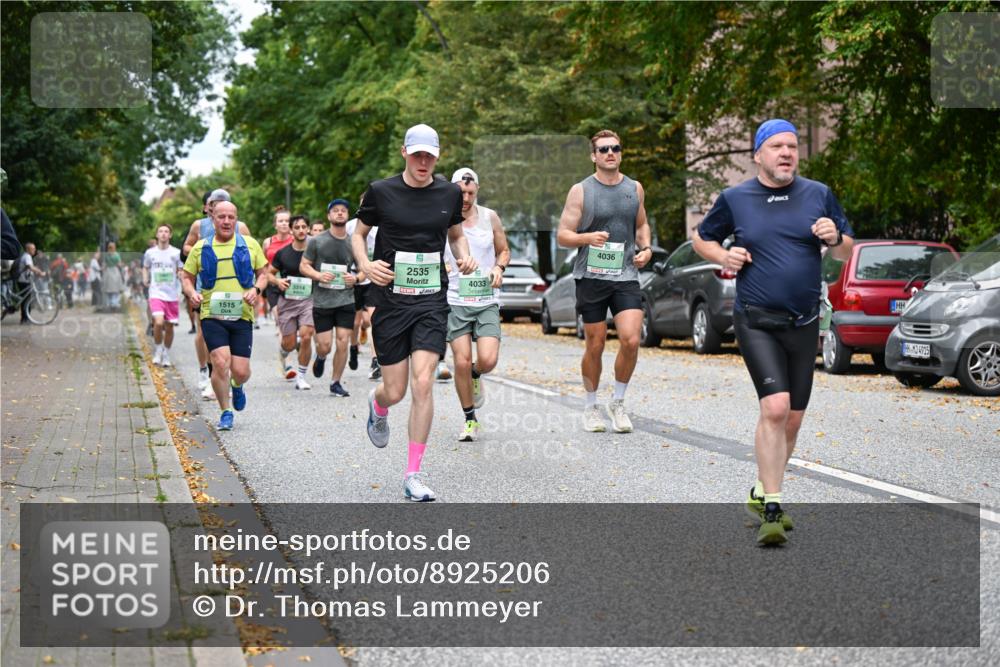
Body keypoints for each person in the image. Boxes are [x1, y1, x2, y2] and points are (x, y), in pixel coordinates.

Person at [693, 118, 854, 546]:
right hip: (756, 320)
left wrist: (835, 236)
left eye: (792, 146)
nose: (786, 153)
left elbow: (846, 249)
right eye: (777, 146)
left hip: (804, 322)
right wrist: (723, 256)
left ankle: (761, 492)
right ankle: (773, 510)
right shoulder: (735, 198)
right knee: (776, 408)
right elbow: (701, 239)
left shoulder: (818, 194)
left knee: (793, 419)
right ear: (758, 154)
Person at [353, 123, 477, 502]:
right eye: (418, 154)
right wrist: (366, 264)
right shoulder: (381, 191)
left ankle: (413, 474)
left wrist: (464, 256)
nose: (424, 162)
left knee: (423, 383)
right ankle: (378, 405)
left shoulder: (449, 193)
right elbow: (358, 234)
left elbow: (456, 235)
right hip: (390, 299)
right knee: (395, 389)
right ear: (405, 153)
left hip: (431, 300)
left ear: (437, 157)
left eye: (430, 156)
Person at [557, 129, 652, 434]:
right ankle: (591, 405)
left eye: (615, 148)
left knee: (631, 340)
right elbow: (563, 235)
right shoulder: (581, 190)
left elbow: (642, 224)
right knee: (595, 344)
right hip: (591, 277)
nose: (610, 153)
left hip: (625, 276)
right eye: (603, 149)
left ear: (621, 153)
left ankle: (618, 402)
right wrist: (587, 238)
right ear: (593, 156)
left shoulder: (634, 188)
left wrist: (646, 249)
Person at [182, 200, 269, 431]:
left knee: (241, 371)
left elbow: (263, 274)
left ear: (236, 219)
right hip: (212, 315)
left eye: (231, 217)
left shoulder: (250, 245)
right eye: (221, 217)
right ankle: (225, 411)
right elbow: (186, 276)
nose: (227, 221)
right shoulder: (200, 247)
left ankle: (236, 385)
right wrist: (192, 293)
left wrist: (256, 290)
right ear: (213, 219)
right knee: (220, 362)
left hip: (242, 315)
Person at [444, 168, 510, 442]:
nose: (466, 198)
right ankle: (470, 418)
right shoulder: (442, 217)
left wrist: (498, 268)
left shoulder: (489, 217)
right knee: (460, 361)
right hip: (455, 299)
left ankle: (476, 372)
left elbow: (503, 250)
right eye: (461, 192)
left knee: (488, 360)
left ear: (477, 190)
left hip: (485, 299)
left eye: (470, 192)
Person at [183, 189, 251, 399]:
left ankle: (230, 377)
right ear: (208, 207)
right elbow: (186, 247)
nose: (217, 207)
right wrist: (202, 252)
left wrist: (253, 288)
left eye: (223, 203)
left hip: (234, 290)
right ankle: (208, 373)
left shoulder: (240, 227)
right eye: (214, 204)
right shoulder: (199, 226)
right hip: (205, 287)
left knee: (232, 342)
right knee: (205, 333)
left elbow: (250, 254)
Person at [302, 199, 358, 397]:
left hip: (346, 299)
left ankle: (335, 382)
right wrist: (318, 276)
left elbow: (364, 269)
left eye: (343, 210)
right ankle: (321, 356)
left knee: (343, 342)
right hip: (323, 301)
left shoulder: (354, 242)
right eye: (335, 210)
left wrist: (356, 278)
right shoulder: (317, 241)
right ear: (329, 216)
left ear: (347, 216)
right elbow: (304, 266)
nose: (340, 213)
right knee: (325, 345)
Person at [268, 215, 316, 390]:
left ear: (308, 229)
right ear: (291, 230)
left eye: (304, 227)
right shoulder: (283, 253)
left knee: (306, 335)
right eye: (297, 227)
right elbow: (269, 273)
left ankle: (301, 376)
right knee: (289, 343)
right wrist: (277, 281)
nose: (301, 230)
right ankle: (283, 352)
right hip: (287, 301)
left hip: (308, 300)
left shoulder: (315, 251)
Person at [345, 196, 381, 380]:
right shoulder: (350, 227)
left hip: (374, 278)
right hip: (354, 278)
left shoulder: (382, 225)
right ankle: (353, 347)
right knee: (355, 322)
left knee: (374, 320)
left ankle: (375, 360)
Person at [143, 224, 183, 366]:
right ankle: (158, 350)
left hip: (171, 294)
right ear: (157, 235)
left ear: (170, 235)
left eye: (166, 231)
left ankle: (166, 353)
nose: (164, 234)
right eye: (161, 231)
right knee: (158, 322)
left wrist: (180, 275)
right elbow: (145, 267)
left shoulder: (176, 253)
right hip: (156, 292)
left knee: (170, 326)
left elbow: (181, 269)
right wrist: (145, 278)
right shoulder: (150, 253)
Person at [262, 207, 294, 334]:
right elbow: (264, 264)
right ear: (275, 225)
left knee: (290, 320)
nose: (284, 223)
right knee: (279, 317)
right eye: (281, 221)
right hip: (273, 283)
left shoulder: (296, 240)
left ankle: (291, 339)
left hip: (291, 283)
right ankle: (285, 339)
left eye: (287, 221)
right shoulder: (268, 242)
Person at [17, 242, 45, 323]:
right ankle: (25, 318)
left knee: (25, 299)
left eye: (34, 248)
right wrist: (40, 272)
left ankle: (25, 318)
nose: (34, 250)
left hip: (24, 280)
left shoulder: (26, 256)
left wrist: (36, 269)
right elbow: (30, 267)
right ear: (28, 249)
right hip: (24, 280)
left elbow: (30, 267)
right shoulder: (27, 256)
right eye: (33, 249)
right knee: (26, 300)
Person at [102, 242, 124, 310]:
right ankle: (114, 303)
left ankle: (108, 303)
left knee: (108, 289)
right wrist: (122, 265)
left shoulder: (106, 255)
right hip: (115, 271)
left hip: (108, 272)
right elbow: (119, 264)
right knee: (115, 288)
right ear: (114, 247)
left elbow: (104, 265)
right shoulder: (116, 255)